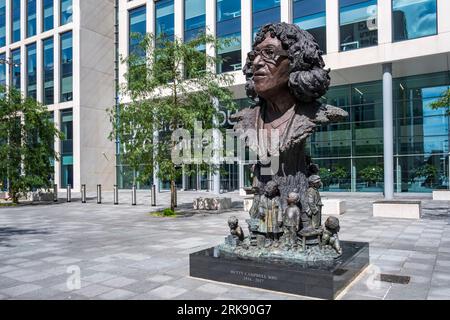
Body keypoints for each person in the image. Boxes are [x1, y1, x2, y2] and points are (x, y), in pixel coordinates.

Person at [231, 22, 347, 214]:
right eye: (254, 55)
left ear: (296, 62)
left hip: (299, 212)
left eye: (269, 53)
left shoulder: (315, 115)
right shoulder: (246, 120)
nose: (257, 62)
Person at [258, 181, 283, 247]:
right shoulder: (262, 197)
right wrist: (261, 211)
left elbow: (280, 209)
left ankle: (276, 239)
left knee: (275, 228)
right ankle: (268, 239)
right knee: (267, 228)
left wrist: (280, 219)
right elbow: (260, 206)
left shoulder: (277, 198)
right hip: (266, 215)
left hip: (274, 215)